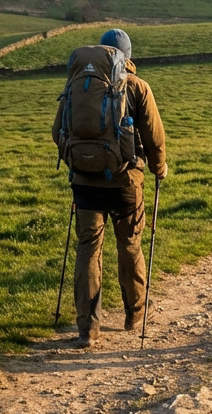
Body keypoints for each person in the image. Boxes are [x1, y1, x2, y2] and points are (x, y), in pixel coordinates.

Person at [52, 28, 167, 348]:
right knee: (129, 244)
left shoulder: (78, 84)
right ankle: (134, 313)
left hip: (85, 182)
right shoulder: (137, 87)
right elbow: (155, 137)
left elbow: (56, 130)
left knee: (88, 248)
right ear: (128, 56)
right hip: (126, 181)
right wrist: (159, 169)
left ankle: (87, 328)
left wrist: (77, 160)